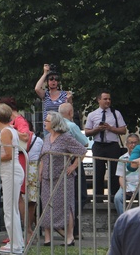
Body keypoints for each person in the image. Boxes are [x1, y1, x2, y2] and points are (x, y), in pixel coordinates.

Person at [40, 111, 87, 247]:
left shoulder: (65, 137)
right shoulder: (47, 137)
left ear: (54, 123)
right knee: (46, 206)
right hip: (47, 178)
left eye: (47, 121)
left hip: (63, 178)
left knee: (66, 206)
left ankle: (69, 237)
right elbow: (43, 157)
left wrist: (73, 166)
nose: (45, 122)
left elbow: (81, 150)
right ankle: (48, 238)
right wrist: (40, 174)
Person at [0, 103, 24, 253]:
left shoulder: (5, 131)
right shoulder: (10, 130)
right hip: (11, 171)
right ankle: (18, 243)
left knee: (10, 210)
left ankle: (15, 245)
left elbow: (8, 155)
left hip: (10, 171)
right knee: (13, 209)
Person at [84, 90, 127, 197]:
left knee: (114, 173)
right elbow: (87, 132)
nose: (108, 101)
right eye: (105, 99)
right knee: (98, 172)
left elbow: (123, 130)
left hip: (112, 146)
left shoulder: (116, 113)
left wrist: (110, 128)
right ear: (99, 100)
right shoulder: (92, 115)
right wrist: (98, 129)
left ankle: (114, 197)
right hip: (98, 145)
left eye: (109, 99)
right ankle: (98, 198)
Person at [59, 102, 89, 239]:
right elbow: (85, 143)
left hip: (58, 163)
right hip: (73, 162)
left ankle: (67, 227)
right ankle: (74, 229)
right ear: (71, 113)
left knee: (65, 196)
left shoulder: (54, 126)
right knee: (79, 195)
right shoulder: (71, 126)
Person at [34, 64, 72, 132]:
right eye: (51, 79)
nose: (53, 81)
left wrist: (69, 99)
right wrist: (45, 73)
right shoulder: (46, 94)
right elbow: (37, 88)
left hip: (60, 126)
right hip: (48, 127)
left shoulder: (64, 94)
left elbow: (70, 110)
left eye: (56, 79)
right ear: (47, 82)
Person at [114, 134, 140, 214]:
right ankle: (123, 219)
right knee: (117, 198)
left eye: (135, 143)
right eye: (131, 143)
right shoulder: (122, 158)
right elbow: (121, 177)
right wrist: (125, 188)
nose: (133, 145)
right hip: (127, 185)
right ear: (126, 144)